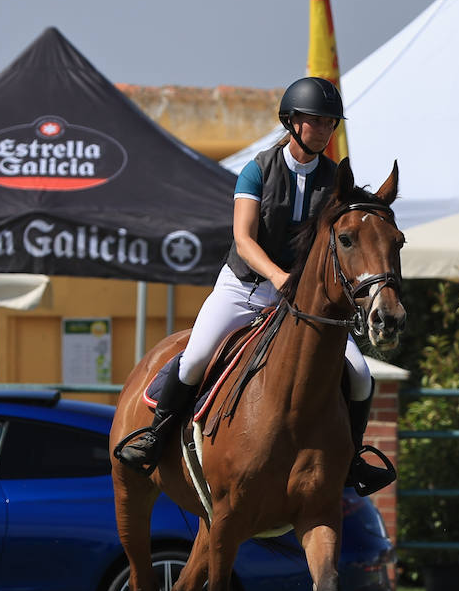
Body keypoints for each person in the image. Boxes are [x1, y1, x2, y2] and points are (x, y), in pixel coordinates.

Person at [116, 76, 395, 495]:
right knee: (194, 359)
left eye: (329, 123)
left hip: (304, 301)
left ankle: (352, 458)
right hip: (245, 287)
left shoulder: (334, 179)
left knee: (359, 375)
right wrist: (279, 277)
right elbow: (244, 240)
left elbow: (355, 223)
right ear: (292, 122)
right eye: (314, 121)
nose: (322, 130)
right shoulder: (258, 169)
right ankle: (155, 435)